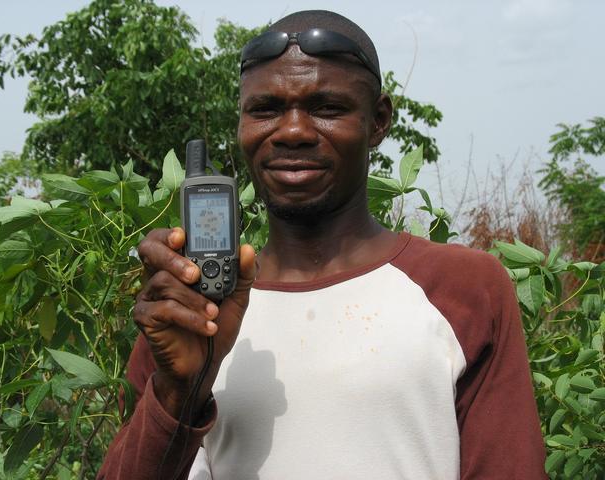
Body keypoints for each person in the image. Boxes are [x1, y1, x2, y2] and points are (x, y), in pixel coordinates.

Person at [99, 10, 546, 480]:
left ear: (378, 121)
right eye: (265, 109)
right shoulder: (190, 309)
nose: (292, 131)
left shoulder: (463, 288)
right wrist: (179, 392)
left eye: (327, 107)